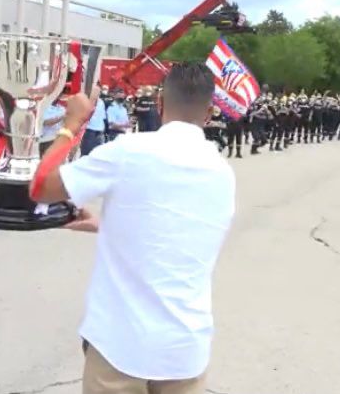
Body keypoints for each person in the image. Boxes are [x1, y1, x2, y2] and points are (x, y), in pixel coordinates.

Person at [31, 63, 236, 394]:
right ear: (210, 111)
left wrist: (71, 125)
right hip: (185, 348)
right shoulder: (222, 172)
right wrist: (106, 224)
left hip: (121, 344)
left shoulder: (129, 151)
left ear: (159, 103)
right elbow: (180, 232)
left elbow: (42, 187)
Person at [81, 91, 106, 156]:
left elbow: (102, 117)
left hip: (100, 133)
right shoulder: (86, 101)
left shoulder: (101, 102)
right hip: (89, 132)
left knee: (99, 155)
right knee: (86, 155)